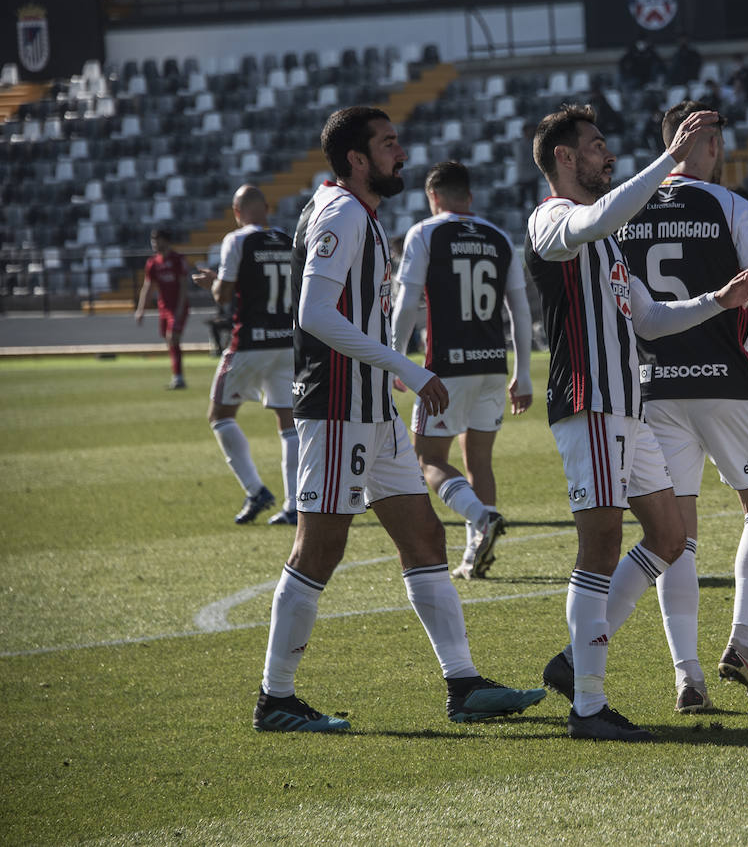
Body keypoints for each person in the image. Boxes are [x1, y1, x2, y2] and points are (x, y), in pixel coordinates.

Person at [253, 106, 544, 734]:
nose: (401, 152)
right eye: (388, 144)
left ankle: (463, 684)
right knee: (321, 546)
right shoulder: (340, 213)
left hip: (370, 409)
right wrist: (406, 368)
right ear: (357, 159)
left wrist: (389, 377)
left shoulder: (359, 213)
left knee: (425, 538)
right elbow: (313, 313)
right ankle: (275, 698)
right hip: (337, 407)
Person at [524, 103, 748, 741]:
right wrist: (669, 161)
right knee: (600, 548)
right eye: (598, 145)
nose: (609, 155)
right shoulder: (552, 218)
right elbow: (592, 219)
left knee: (669, 538)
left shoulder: (604, 236)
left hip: (627, 409)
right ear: (565, 158)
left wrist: (721, 299)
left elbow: (651, 318)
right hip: (590, 402)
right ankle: (588, 705)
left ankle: (575, 663)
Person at [616, 100, 748, 712]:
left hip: (655, 387)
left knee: (675, 536)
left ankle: (688, 676)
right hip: (726, 382)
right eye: (718, 144)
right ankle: (744, 642)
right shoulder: (729, 206)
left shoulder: (624, 210)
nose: (721, 154)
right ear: (700, 143)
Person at [390, 161, 532, 580]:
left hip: (445, 368)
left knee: (428, 459)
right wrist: (522, 374)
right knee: (479, 462)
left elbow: (405, 304)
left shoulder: (425, 233)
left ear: (432, 198)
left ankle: (482, 520)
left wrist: (397, 359)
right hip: (491, 364)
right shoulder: (499, 236)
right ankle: (474, 557)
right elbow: (520, 312)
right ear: (469, 197)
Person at [190, 185, 298, 526]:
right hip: (287, 340)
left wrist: (212, 284)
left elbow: (223, 296)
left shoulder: (236, 240)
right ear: (267, 207)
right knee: (289, 423)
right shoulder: (286, 238)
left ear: (237, 212)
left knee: (220, 414)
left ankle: (255, 490)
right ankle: (296, 505)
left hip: (251, 341)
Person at [134, 228, 190, 389]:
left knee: (173, 338)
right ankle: (177, 377)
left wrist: (180, 308)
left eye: (157, 240)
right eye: (153, 240)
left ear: (166, 241)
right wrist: (141, 309)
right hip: (163, 308)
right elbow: (148, 287)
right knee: (169, 340)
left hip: (177, 307)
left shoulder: (178, 259)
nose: (154, 244)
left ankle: (179, 378)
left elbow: (183, 285)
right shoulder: (153, 263)